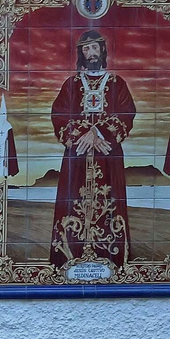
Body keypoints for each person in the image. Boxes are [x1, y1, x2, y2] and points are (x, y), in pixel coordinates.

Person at [49, 29, 136, 276]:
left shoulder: (118, 83)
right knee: (72, 202)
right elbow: (59, 115)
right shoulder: (71, 84)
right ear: (81, 54)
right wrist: (84, 135)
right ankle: (69, 257)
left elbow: (127, 113)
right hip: (77, 156)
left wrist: (99, 133)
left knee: (110, 205)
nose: (91, 53)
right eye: (86, 49)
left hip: (108, 157)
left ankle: (112, 259)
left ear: (102, 50)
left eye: (94, 48)